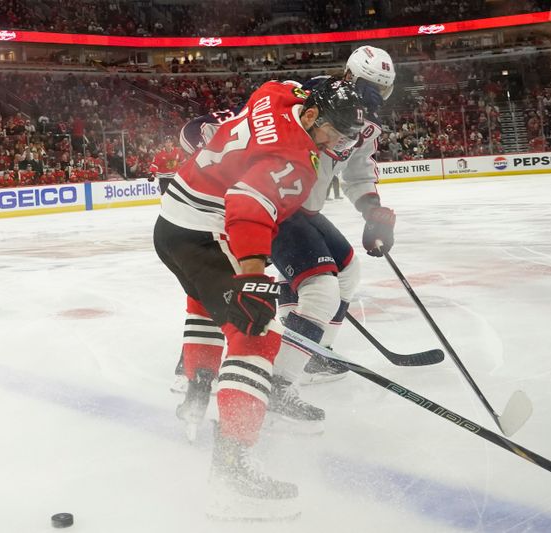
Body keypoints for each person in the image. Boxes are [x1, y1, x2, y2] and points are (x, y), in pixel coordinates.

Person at [153, 78, 365, 520]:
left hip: (172, 225)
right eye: (333, 133)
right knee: (256, 334)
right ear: (310, 117)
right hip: (205, 233)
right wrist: (251, 277)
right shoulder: (296, 160)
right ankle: (232, 476)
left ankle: (197, 391)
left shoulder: (276, 96)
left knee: (204, 302)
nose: (336, 145)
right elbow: (248, 207)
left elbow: (278, 85)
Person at [172, 46, 398, 426]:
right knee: (321, 290)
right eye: (369, 89)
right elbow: (239, 127)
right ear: (349, 76)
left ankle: (312, 350)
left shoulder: (366, 125)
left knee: (347, 273)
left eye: (382, 92)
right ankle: (275, 383)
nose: (374, 100)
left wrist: (372, 210)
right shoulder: (307, 94)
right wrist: (205, 135)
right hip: (272, 206)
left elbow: (358, 172)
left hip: (302, 210)